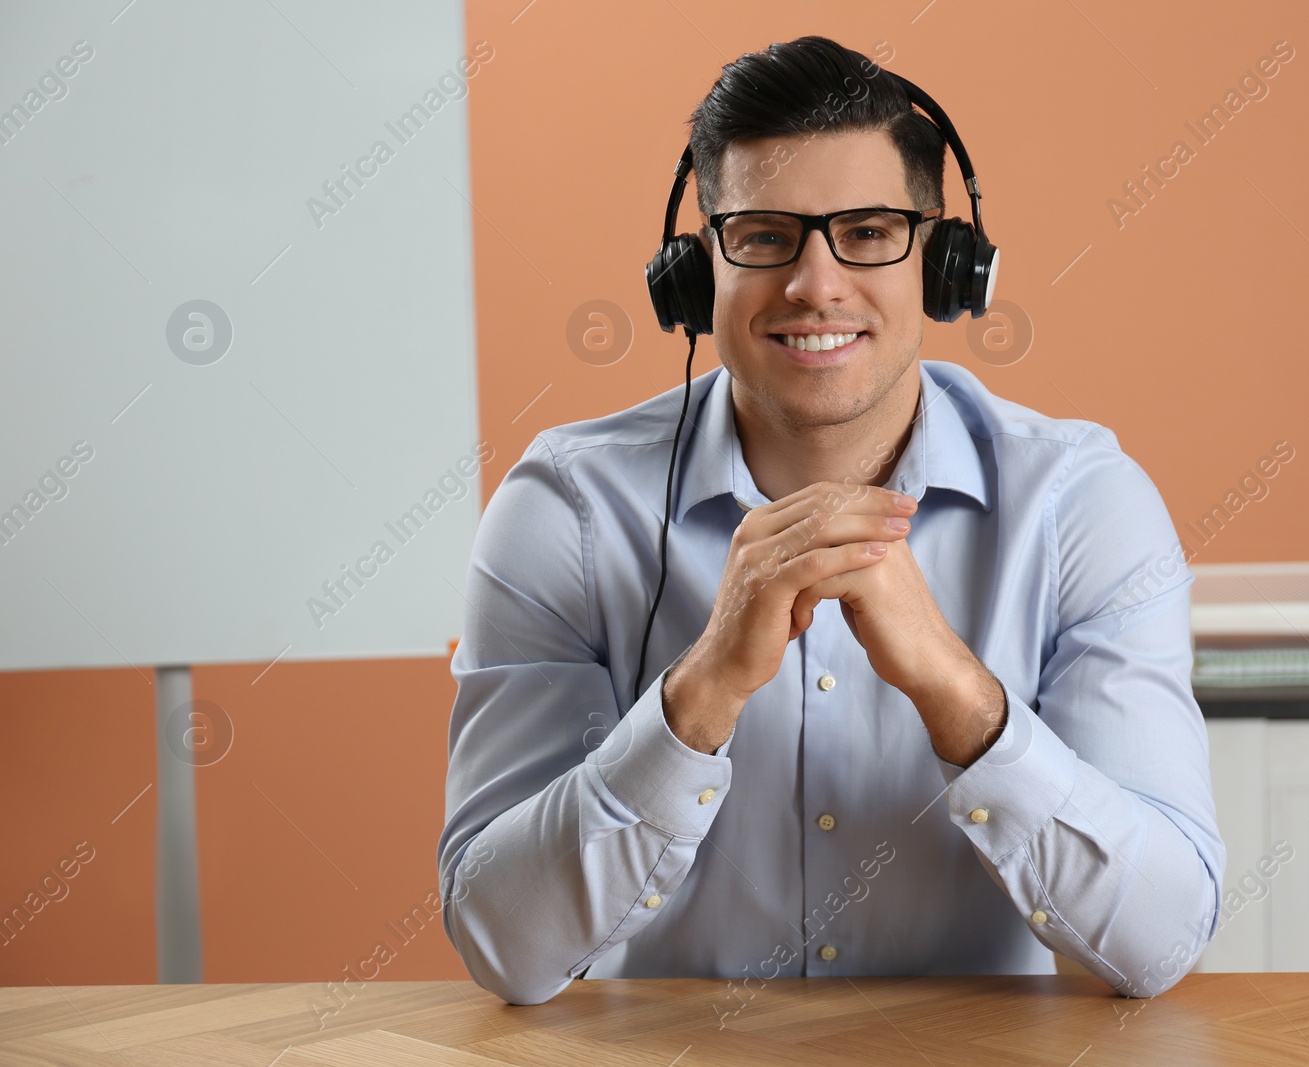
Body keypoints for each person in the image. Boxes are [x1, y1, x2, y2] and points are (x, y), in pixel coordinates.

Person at [437, 35, 1224, 1008]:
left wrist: (955, 690)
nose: (815, 284)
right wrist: (702, 689)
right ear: (695, 268)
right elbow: (502, 942)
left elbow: (1158, 939)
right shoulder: (566, 509)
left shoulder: (1080, 504)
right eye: (765, 233)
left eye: (866, 230)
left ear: (944, 261)